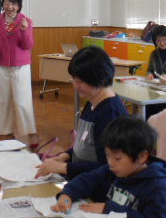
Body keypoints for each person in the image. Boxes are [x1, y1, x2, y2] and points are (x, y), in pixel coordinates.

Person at [52, 115, 166, 218]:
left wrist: (110, 209)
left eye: (117, 158)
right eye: (108, 155)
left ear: (142, 157)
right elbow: (87, 180)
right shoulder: (114, 171)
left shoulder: (158, 189)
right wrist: (67, 195)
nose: (110, 162)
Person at [35, 46, 127, 180]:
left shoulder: (110, 114)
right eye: (74, 80)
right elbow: (84, 145)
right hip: (82, 181)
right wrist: (65, 156)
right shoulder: (92, 102)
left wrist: (63, 168)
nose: (75, 85)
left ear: (99, 78)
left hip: (97, 191)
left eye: (80, 81)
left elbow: (108, 168)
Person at [0, 0, 38, 147]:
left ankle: (29, 132)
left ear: (19, 6)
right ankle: (6, 131)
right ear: (2, 4)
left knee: (22, 100)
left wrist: (23, 31)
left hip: (20, 65)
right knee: (5, 100)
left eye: (14, 4)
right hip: (2, 64)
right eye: (7, 3)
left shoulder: (26, 21)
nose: (10, 7)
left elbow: (28, 45)